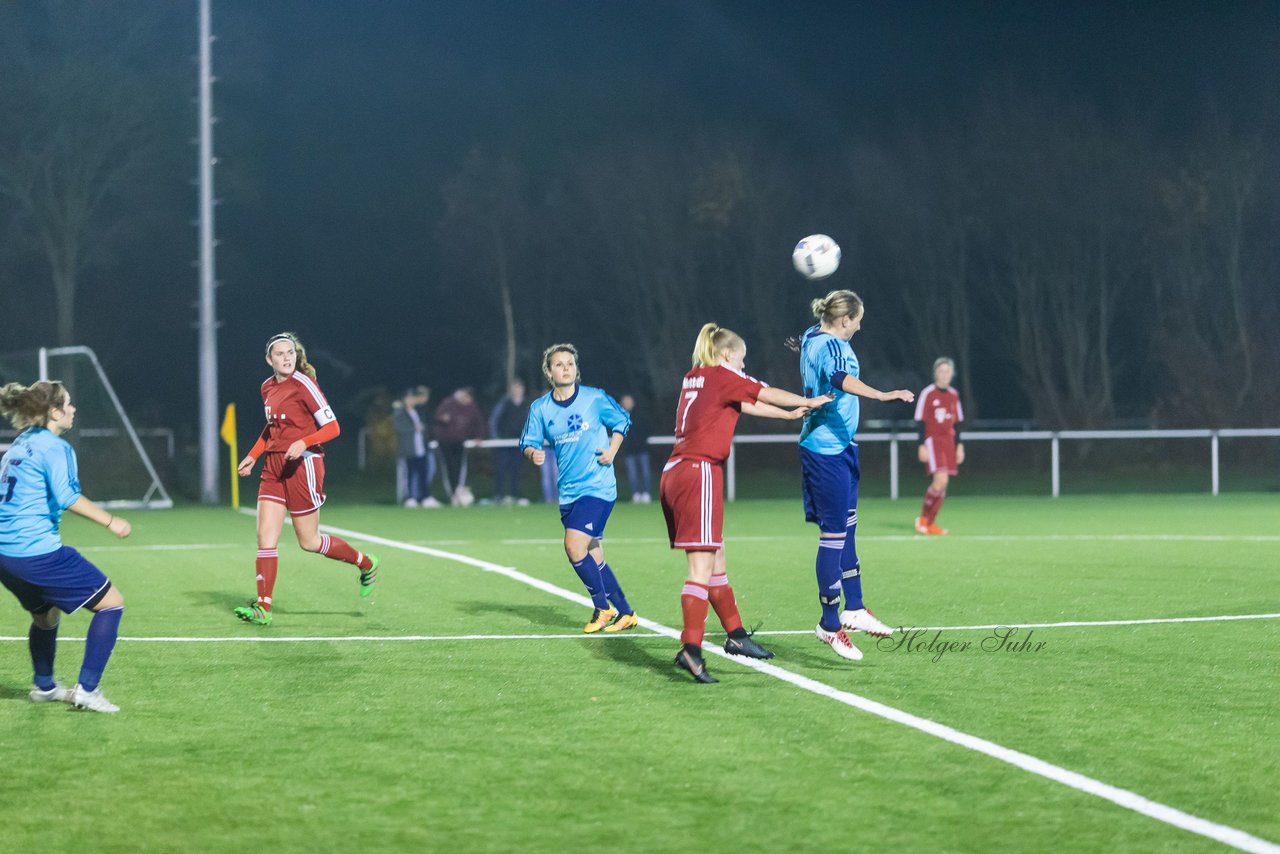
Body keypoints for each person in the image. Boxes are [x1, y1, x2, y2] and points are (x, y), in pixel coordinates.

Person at [664, 324, 832, 683]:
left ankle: (736, 636)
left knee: (715, 562)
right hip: (700, 471)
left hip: (678, 470)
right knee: (699, 569)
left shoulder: (697, 376)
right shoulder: (725, 374)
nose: (743, 366)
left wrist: (788, 416)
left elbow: (743, 402)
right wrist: (806, 401)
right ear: (727, 355)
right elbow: (765, 392)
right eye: (741, 359)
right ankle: (691, 650)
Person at [797, 290, 914, 661]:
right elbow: (839, 377)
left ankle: (855, 606)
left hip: (842, 446)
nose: (860, 326)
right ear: (844, 319)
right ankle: (830, 624)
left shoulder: (811, 336)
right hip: (824, 450)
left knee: (848, 526)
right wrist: (881, 395)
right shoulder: (831, 345)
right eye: (858, 319)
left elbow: (810, 350)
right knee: (833, 536)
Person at [0, 381, 131, 713]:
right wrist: (110, 521)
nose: (73, 409)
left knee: (45, 615)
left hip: (6, 555)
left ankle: (44, 687)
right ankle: (87, 690)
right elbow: (68, 497)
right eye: (68, 404)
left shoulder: (22, 441)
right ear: (54, 411)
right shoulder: (55, 447)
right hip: (35, 553)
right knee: (111, 603)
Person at [234, 332, 379, 626]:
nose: (286, 358)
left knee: (309, 542)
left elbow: (333, 427)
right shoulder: (266, 387)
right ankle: (264, 608)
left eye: (290, 353)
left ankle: (366, 563)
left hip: (304, 466)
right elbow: (272, 428)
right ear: (269, 360)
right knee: (265, 537)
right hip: (274, 467)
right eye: (280, 354)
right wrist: (253, 454)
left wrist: (304, 442)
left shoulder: (304, 385)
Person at [520, 343, 639, 634]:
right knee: (594, 556)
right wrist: (533, 453)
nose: (566, 368)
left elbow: (622, 420)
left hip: (597, 487)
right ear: (549, 372)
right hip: (569, 492)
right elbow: (527, 442)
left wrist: (612, 450)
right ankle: (626, 613)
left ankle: (602, 608)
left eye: (570, 364)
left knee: (573, 546)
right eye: (559, 364)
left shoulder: (594, 399)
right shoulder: (541, 408)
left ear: (576, 369)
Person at [914, 357, 965, 535]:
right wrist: (921, 445)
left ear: (952, 374)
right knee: (940, 480)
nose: (944, 375)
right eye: (941, 371)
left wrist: (959, 446)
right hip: (932, 441)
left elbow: (957, 423)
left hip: (949, 442)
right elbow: (920, 421)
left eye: (947, 371)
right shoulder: (928, 393)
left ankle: (931, 523)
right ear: (936, 373)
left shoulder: (953, 395)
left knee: (944, 483)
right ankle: (923, 519)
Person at [433, 387, 486, 506]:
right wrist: (443, 419)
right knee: (448, 468)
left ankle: (460, 492)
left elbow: (478, 422)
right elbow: (437, 417)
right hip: (445, 441)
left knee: (460, 468)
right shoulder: (448, 403)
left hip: (460, 441)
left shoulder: (472, 407)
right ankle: (452, 494)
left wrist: (478, 436)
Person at [393, 385, 438, 507]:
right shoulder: (400, 412)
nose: (411, 400)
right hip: (409, 449)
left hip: (421, 448)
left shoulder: (418, 411)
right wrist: (415, 428)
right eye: (409, 398)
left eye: (413, 398)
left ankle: (424, 497)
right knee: (409, 474)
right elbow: (399, 427)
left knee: (423, 473)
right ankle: (410, 497)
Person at [488, 379, 530, 505]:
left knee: (516, 470)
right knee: (501, 469)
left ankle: (514, 495)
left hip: (519, 443)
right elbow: (493, 420)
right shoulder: (504, 403)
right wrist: (496, 437)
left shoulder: (527, 404)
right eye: (515, 388)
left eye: (519, 388)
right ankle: (498, 495)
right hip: (504, 442)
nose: (517, 391)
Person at [619, 395, 652, 503]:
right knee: (632, 475)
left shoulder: (640, 415)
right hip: (629, 451)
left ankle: (646, 494)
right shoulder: (620, 416)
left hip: (643, 450)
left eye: (629, 401)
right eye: (625, 402)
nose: (627, 404)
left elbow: (647, 429)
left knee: (645, 473)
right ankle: (636, 494)